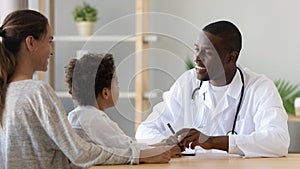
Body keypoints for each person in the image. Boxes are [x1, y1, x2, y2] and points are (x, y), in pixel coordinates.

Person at [0, 9, 170, 169]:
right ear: (31, 42)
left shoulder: (6, 91)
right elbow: (79, 153)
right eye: (49, 41)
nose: (51, 51)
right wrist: (138, 155)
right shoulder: (37, 92)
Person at [135, 20, 290, 157]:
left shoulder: (259, 88)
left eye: (207, 53)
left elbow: (279, 141)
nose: (196, 58)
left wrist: (213, 142)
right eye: (197, 49)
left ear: (231, 57)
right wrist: (166, 144)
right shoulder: (187, 82)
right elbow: (144, 131)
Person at [64, 53, 181, 164]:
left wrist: (162, 145)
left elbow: (127, 146)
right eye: (117, 83)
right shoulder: (94, 119)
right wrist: (164, 148)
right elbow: (128, 148)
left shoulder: (79, 115)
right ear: (106, 93)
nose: (118, 87)